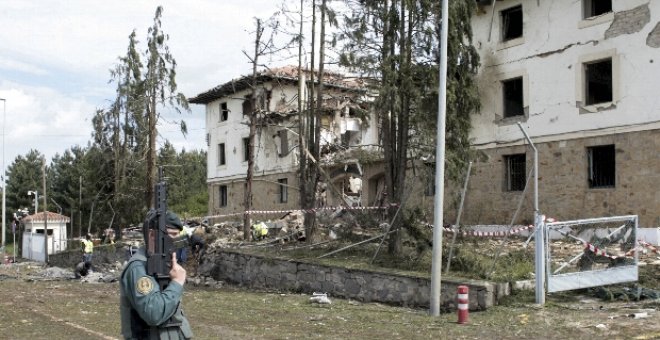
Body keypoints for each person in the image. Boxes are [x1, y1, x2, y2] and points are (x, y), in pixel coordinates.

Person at [119, 211, 193, 339]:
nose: (175, 242)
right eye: (172, 236)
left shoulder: (162, 263)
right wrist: (176, 283)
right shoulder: (138, 267)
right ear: (152, 235)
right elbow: (154, 313)